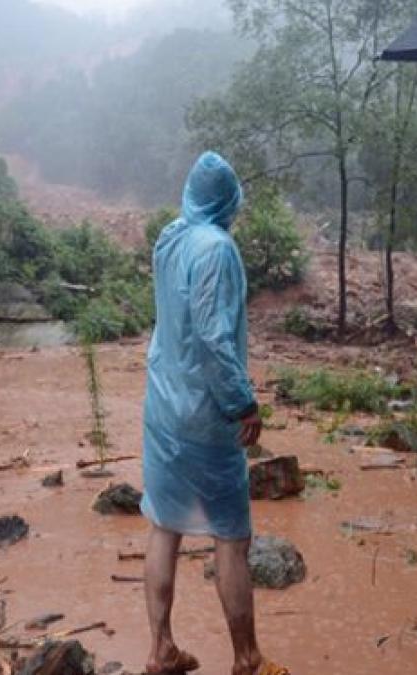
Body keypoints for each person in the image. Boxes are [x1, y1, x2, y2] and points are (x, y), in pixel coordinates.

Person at [140, 151, 288, 675]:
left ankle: (161, 649)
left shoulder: (170, 236)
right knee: (232, 536)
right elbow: (212, 335)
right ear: (229, 200)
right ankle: (247, 658)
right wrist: (242, 401)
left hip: (162, 404)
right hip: (204, 414)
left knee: (164, 525)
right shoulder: (218, 249)